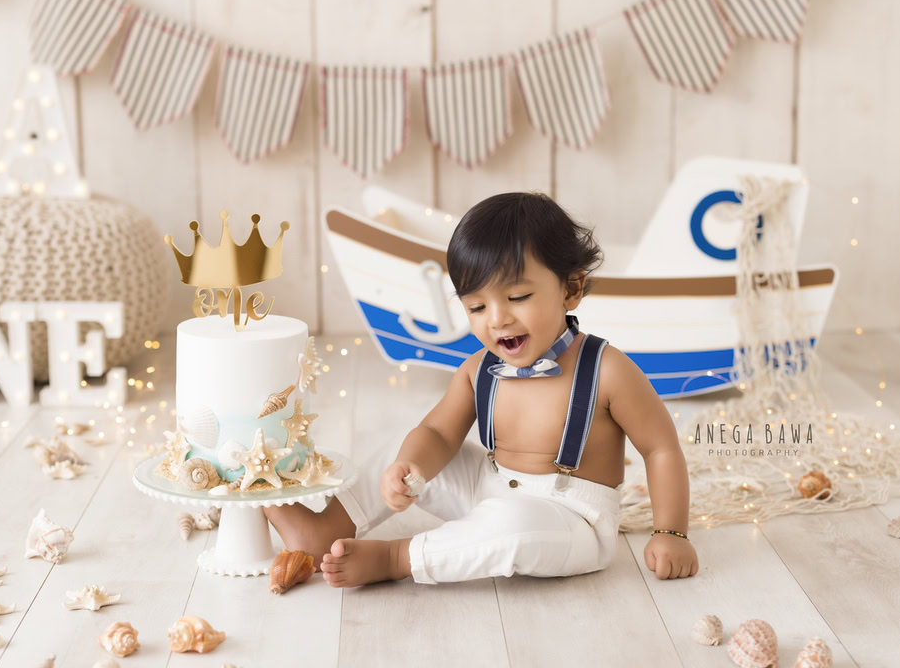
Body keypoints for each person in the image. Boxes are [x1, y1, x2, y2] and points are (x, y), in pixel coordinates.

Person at [264, 191, 698, 586]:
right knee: (404, 443)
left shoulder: (608, 370)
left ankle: (400, 558)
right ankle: (331, 523)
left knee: (513, 527)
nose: (496, 319)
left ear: (571, 288)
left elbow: (660, 449)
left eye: (517, 297)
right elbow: (438, 433)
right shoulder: (479, 370)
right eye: (476, 306)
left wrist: (671, 532)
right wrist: (410, 467)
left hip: (569, 519)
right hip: (485, 488)